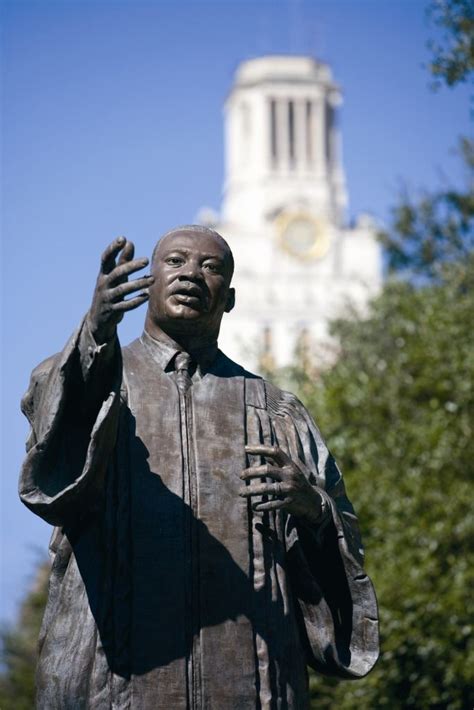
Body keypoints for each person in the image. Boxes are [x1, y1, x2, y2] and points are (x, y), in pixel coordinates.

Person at [19, 225, 379, 709]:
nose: (192, 273)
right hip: (113, 678)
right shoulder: (95, 378)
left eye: (211, 267)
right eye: (176, 261)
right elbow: (51, 464)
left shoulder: (274, 410)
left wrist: (313, 508)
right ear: (149, 281)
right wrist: (96, 330)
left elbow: (343, 542)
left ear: (228, 299)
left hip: (253, 679)